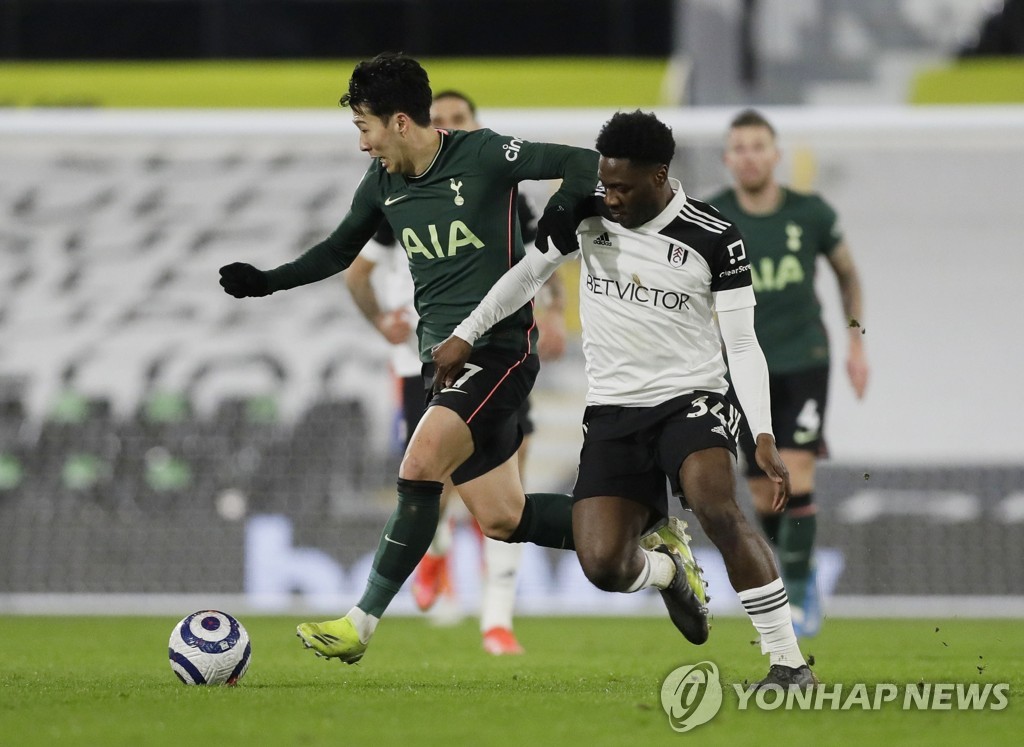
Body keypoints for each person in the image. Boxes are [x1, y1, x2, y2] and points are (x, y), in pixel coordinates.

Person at [218, 52, 620, 665]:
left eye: (365, 127)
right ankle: (643, 537)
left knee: (420, 462)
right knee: (503, 518)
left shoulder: (481, 154)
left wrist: (561, 219)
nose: (362, 144)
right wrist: (267, 281)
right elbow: (337, 251)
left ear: (400, 121)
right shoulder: (383, 184)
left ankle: (359, 624)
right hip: (443, 365)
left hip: (501, 352)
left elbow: (584, 163)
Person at [433, 110, 815, 688]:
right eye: (605, 182)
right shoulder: (584, 211)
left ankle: (787, 662)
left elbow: (741, 343)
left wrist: (760, 432)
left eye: (622, 187)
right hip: (612, 410)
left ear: (660, 176)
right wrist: (466, 333)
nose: (608, 195)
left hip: (692, 398)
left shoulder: (714, 235)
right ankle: (669, 571)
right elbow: (526, 275)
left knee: (717, 505)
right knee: (604, 565)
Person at [342, 89, 567, 655]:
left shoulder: (496, 183)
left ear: (473, 126)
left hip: (502, 351)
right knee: (433, 478)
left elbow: (544, 251)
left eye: (455, 121)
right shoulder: (398, 192)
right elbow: (356, 273)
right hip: (427, 360)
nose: (444, 129)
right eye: (436, 120)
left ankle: (496, 617)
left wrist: (557, 312)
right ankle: (434, 556)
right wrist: (384, 325)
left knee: (503, 488)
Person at [707, 109, 869, 637]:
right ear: (728, 158)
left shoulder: (811, 213)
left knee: (795, 473)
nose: (749, 155)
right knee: (761, 493)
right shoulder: (712, 217)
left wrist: (856, 343)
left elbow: (848, 275)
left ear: (776, 155)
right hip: (741, 367)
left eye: (758, 146)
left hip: (804, 360)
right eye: (739, 147)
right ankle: (801, 566)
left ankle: (798, 594)